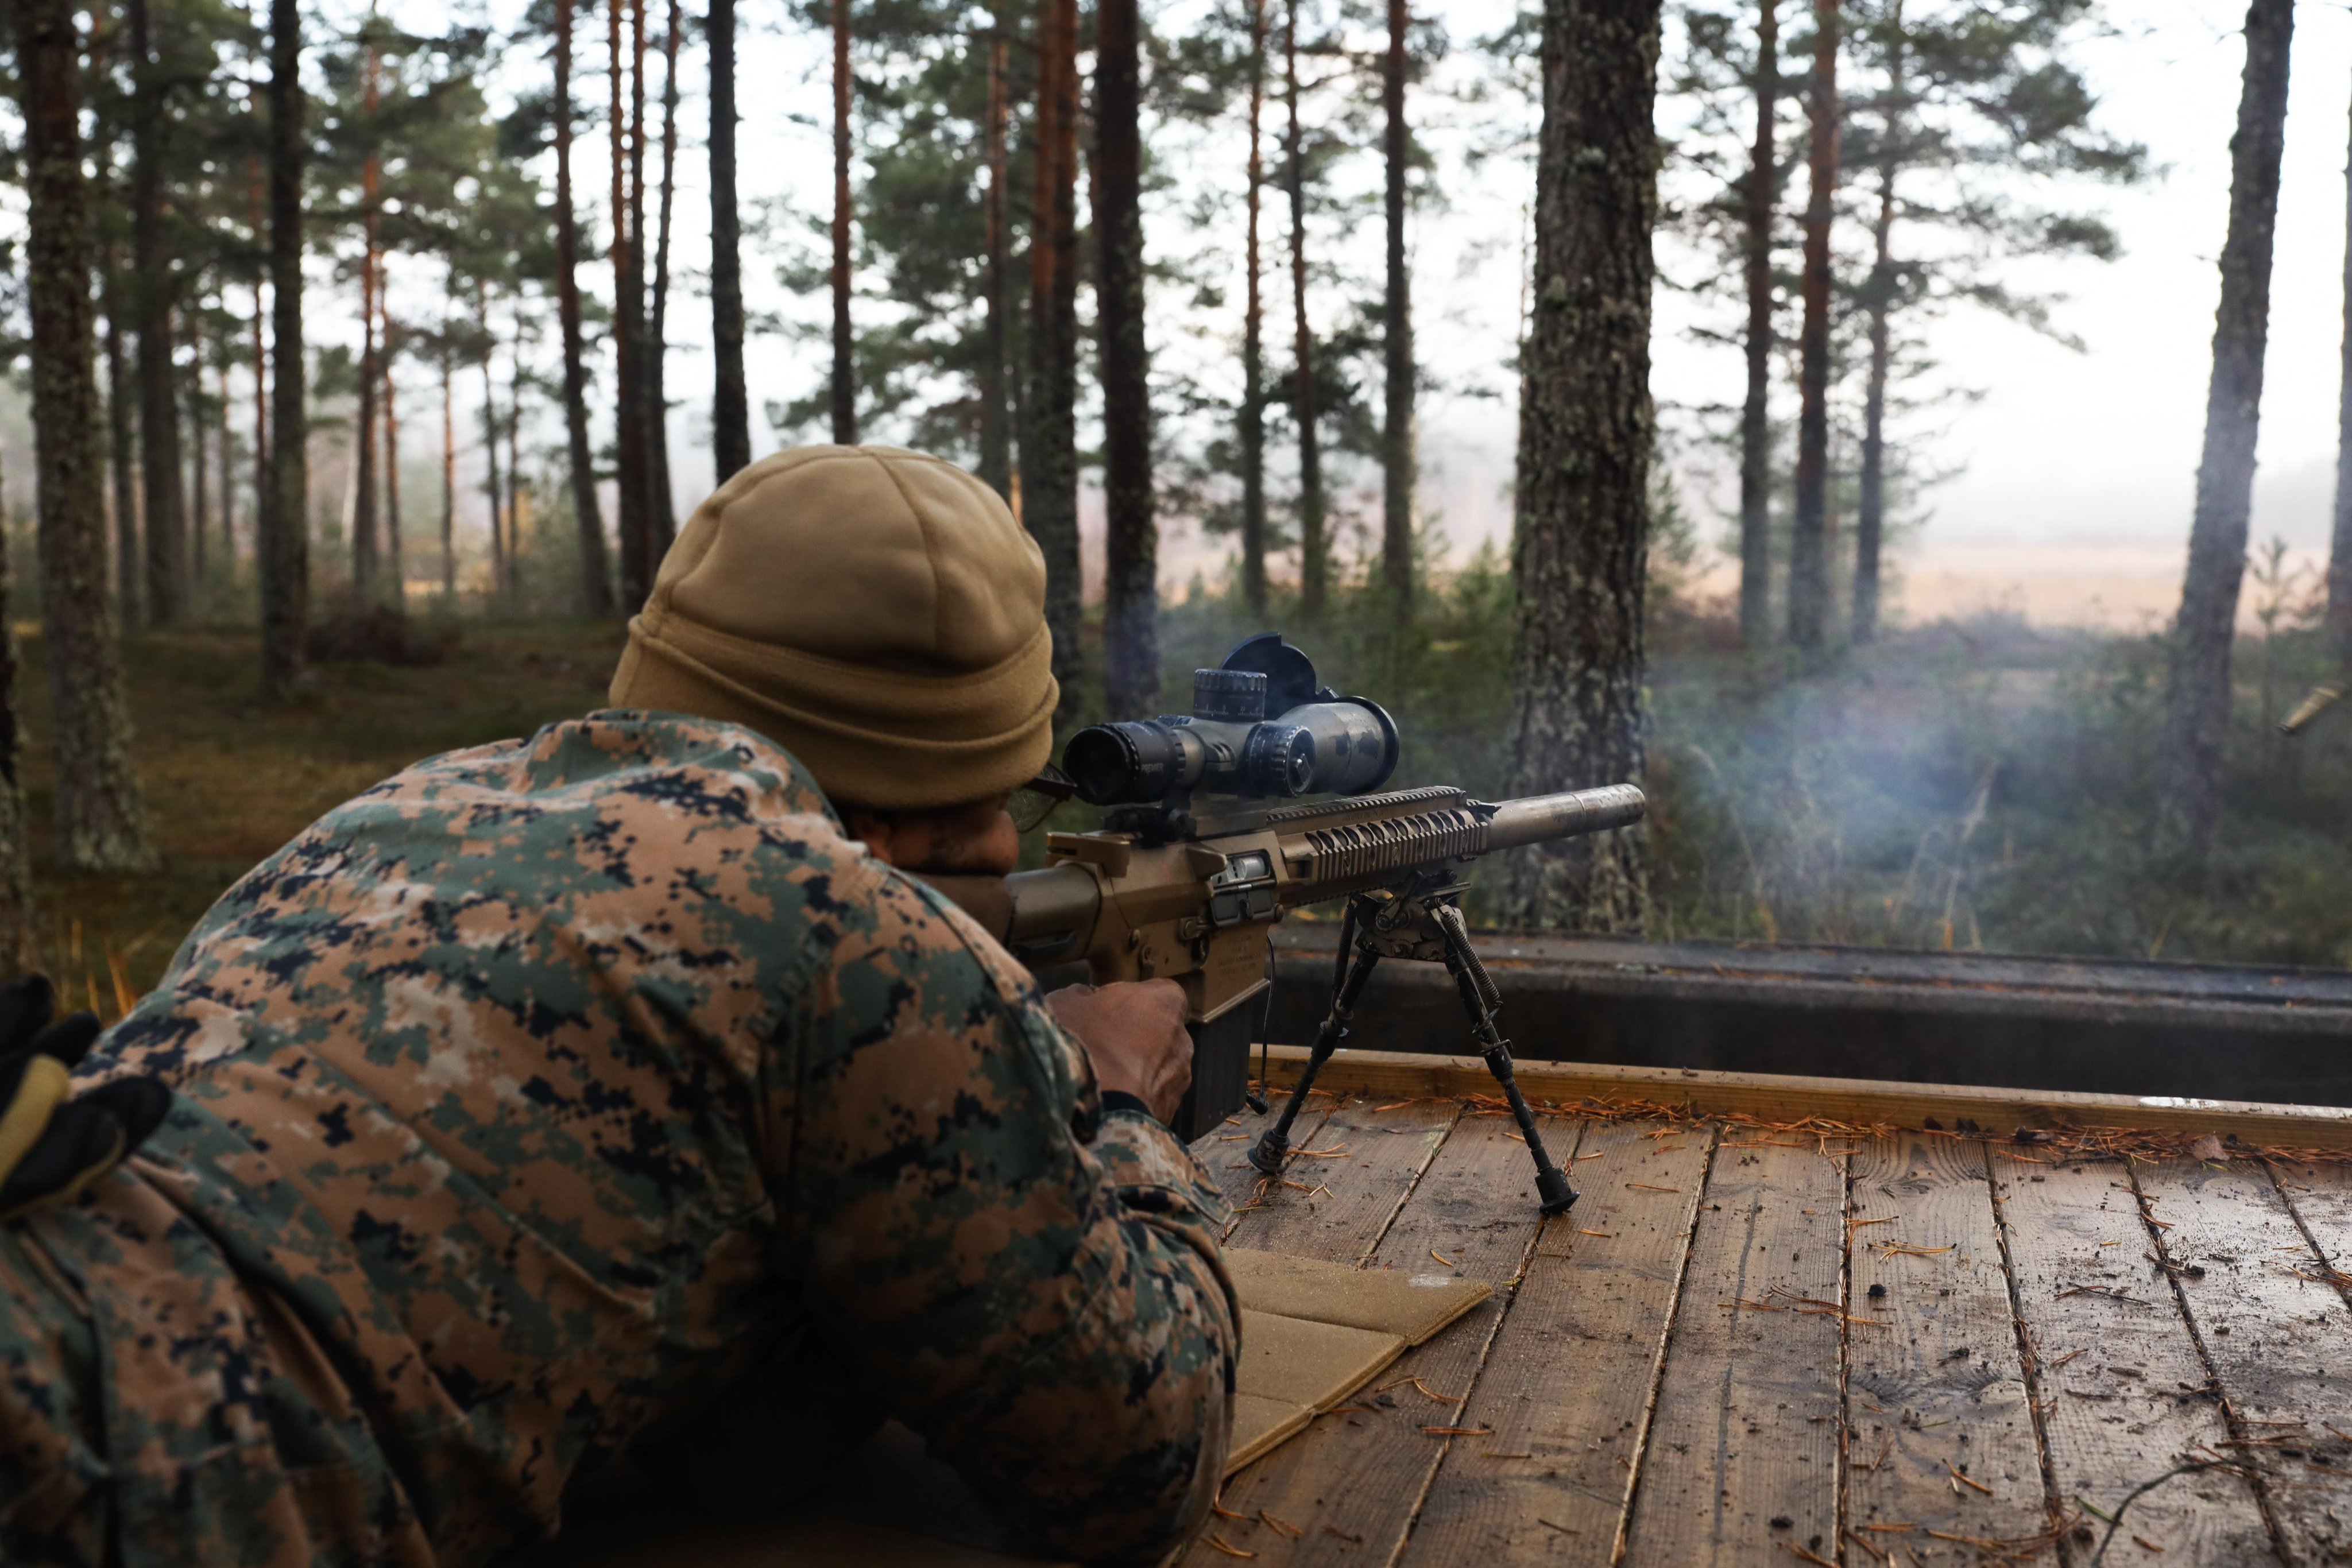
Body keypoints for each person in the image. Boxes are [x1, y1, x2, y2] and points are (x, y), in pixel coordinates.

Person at [0, 445, 1238, 1567]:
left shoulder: (389, 813)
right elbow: (1134, 1463)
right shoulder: (842, 924)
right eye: (1001, 804)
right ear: (891, 825)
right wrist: (1117, 1105)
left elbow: (726, 1445)